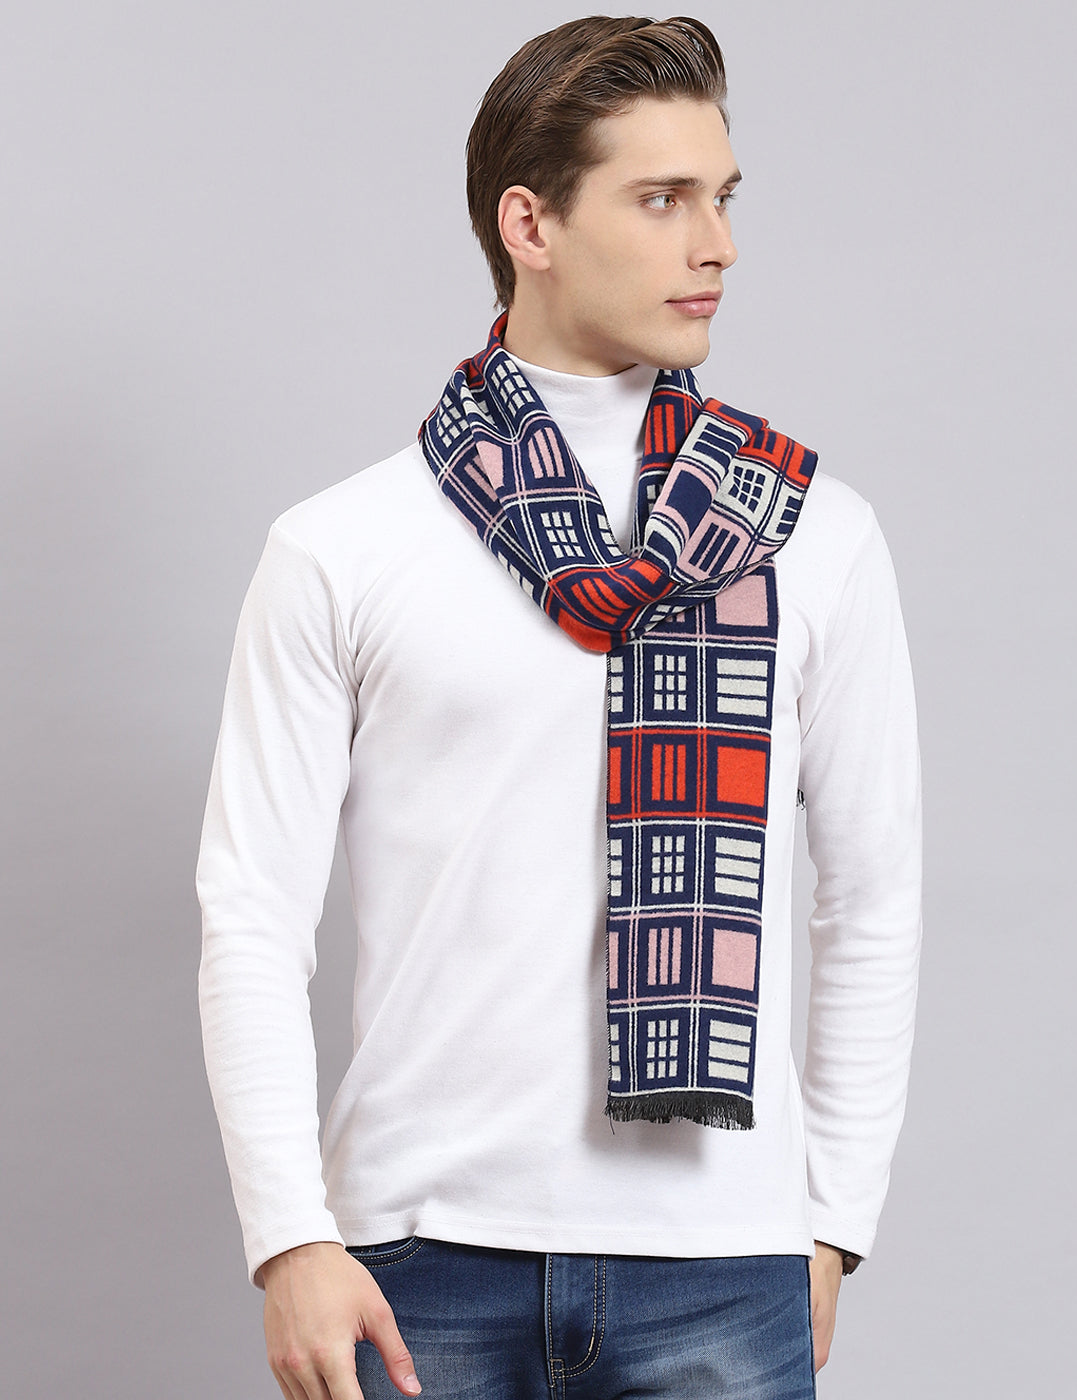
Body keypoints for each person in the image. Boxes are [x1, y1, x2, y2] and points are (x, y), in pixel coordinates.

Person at [197, 15, 921, 1400]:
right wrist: (289, 1236)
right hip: (414, 1261)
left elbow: (873, 895)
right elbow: (252, 913)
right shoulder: (343, 548)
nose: (718, 244)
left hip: (724, 1263)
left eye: (723, 197)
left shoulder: (813, 534)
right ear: (529, 224)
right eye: (663, 199)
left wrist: (833, 1220)